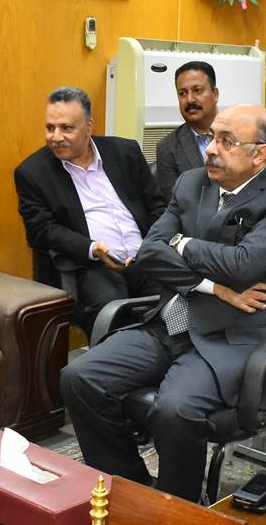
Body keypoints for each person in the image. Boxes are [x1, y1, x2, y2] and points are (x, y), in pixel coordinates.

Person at [59, 105, 266, 501]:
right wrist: (212, 286)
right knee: (80, 377)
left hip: (233, 337)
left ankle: (179, 507)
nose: (211, 149)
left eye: (226, 141)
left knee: (175, 409)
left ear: (259, 154)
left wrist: (183, 242)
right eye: (212, 137)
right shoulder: (192, 183)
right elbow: (149, 252)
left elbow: (243, 264)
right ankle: (133, 491)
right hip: (172, 321)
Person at [14, 87, 164, 337]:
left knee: (178, 301)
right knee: (114, 314)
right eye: (50, 128)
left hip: (146, 256)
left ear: (89, 126)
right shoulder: (33, 172)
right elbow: (40, 230)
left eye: (66, 128)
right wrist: (93, 249)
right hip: (90, 266)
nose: (56, 137)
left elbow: (157, 206)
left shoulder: (125, 152)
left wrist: (154, 245)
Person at [153, 60, 266, 203]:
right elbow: (175, 203)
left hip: (257, 209)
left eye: (197, 90)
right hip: (199, 216)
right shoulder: (168, 147)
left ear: (215, 94)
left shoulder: (252, 130)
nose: (189, 99)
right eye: (182, 93)